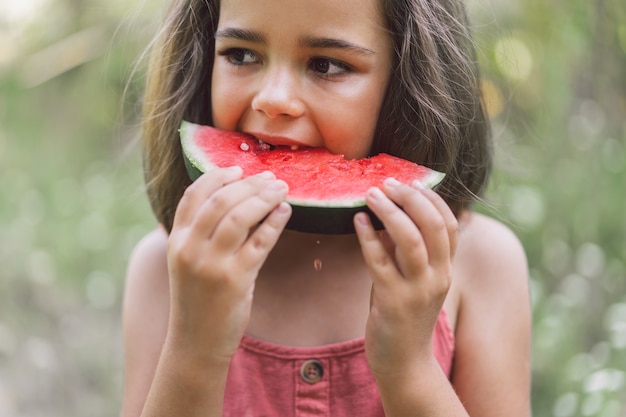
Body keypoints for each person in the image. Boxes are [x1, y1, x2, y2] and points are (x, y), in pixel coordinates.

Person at [121, 0, 532, 415]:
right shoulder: (167, 267)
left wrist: (409, 368)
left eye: (326, 65)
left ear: (407, 84)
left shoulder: (480, 263)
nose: (273, 99)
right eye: (241, 55)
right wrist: (195, 348)